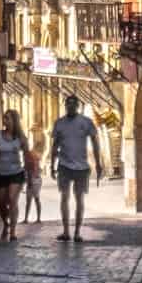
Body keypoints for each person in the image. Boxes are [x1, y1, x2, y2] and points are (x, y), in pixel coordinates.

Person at [49, 94, 104, 242]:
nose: (70, 107)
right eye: (68, 104)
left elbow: (95, 142)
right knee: (64, 197)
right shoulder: (59, 123)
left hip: (81, 168)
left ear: (78, 106)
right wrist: (52, 164)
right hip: (64, 166)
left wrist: (98, 164)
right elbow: (55, 145)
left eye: (73, 104)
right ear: (65, 106)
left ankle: (77, 232)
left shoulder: (86, 122)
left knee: (79, 199)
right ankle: (66, 231)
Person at [0, 109, 28, 241]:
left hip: (16, 173)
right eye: (4, 118)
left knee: (12, 199)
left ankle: (12, 231)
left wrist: (31, 171)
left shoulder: (21, 138)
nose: (4, 120)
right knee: (2, 203)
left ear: (14, 121)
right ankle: (6, 224)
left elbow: (27, 156)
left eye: (7, 118)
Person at [22, 141, 44, 224]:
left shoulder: (29, 155)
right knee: (34, 200)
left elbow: (31, 170)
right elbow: (37, 168)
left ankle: (28, 219)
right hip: (36, 179)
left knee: (32, 200)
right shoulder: (33, 155)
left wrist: (29, 182)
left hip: (33, 180)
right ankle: (36, 218)